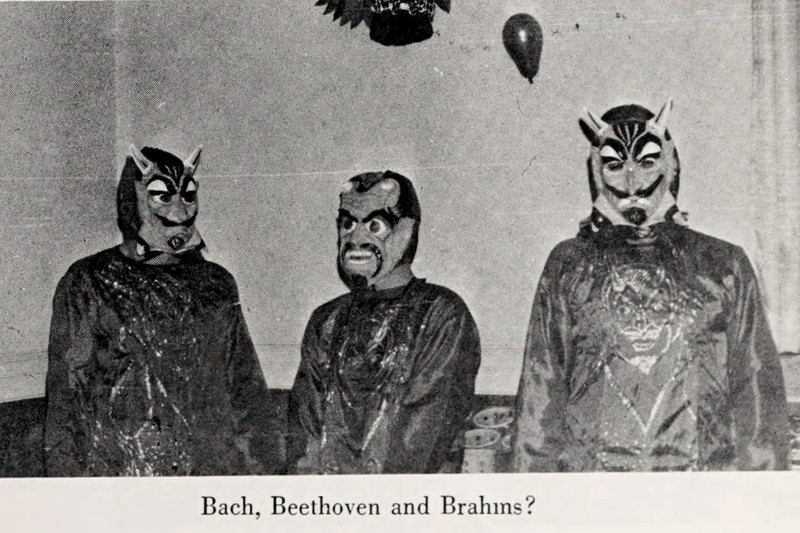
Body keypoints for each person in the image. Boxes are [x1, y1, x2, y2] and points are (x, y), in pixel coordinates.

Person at [511, 101, 790, 472]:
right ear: (597, 172)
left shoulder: (724, 264)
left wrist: (764, 497)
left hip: (700, 491)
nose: (632, 181)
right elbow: (541, 395)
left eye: (646, 162)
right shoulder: (568, 265)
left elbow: (756, 394)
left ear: (670, 164)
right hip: (593, 493)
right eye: (614, 165)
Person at [44, 145, 275, 476]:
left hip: (206, 480)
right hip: (121, 483)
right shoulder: (90, 280)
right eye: (163, 197)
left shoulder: (216, 284)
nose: (179, 210)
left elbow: (245, 390)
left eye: (188, 196)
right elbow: (67, 400)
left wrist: (259, 481)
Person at [287, 170, 481, 474]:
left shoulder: (441, 314)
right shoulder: (327, 320)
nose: (355, 238)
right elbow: (306, 430)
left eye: (374, 225)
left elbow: (422, 436)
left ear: (406, 231)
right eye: (347, 224)